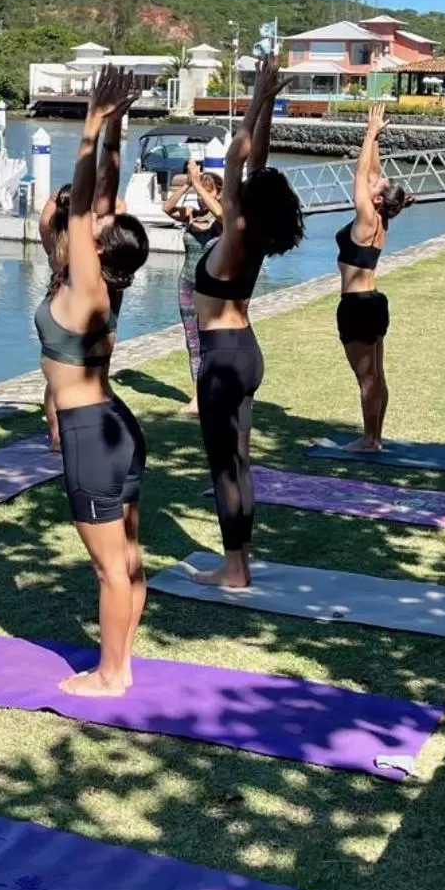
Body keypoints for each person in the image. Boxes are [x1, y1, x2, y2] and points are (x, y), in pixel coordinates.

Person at [37, 67, 152, 694]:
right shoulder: (103, 280)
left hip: (92, 435)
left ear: (100, 253)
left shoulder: (87, 287)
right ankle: (123, 662)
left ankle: (110, 676)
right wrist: (115, 128)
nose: (93, 221)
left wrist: (88, 122)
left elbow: (83, 205)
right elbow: (100, 198)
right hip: (113, 425)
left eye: (97, 232)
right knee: (128, 557)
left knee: (110, 567)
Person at [192, 55, 305, 589]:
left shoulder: (236, 233)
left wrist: (258, 98)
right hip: (247, 351)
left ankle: (233, 568)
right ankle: (242, 560)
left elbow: (237, 161)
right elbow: (255, 161)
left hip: (221, 359)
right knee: (240, 461)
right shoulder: (253, 238)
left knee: (223, 467)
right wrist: (267, 107)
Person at [38, 94, 133, 452]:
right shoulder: (68, 243)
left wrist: (106, 125)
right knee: (68, 375)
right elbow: (102, 192)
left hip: (74, 317)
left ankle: (61, 438)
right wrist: (109, 124)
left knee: (65, 375)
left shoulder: (74, 249)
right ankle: (59, 436)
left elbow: (100, 190)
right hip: (75, 321)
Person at [336, 101, 414, 451]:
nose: (376, 180)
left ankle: (369, 439)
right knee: (376, 375)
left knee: (366, 377)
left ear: (379, 201)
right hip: (374, 301)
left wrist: (368, 134)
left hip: (357, 305)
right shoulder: (381, 220)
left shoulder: (368, 217)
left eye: (380, 185)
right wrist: (377, 136)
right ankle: (375, 437)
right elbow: (370, 174)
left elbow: (359, 178)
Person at [162, 156, 224, 412]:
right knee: (193, 342)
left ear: (218, 193)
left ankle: (219, 390)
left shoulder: (222, 221)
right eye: (199, 193)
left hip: (212, 290)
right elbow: (167, 208)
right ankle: (198, 397)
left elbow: (219, 211)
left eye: (205, 192)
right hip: (187, 286)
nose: (201, 198)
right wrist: (188, 184)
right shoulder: (190, 216)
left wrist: (199, 183)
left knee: (215, 341)